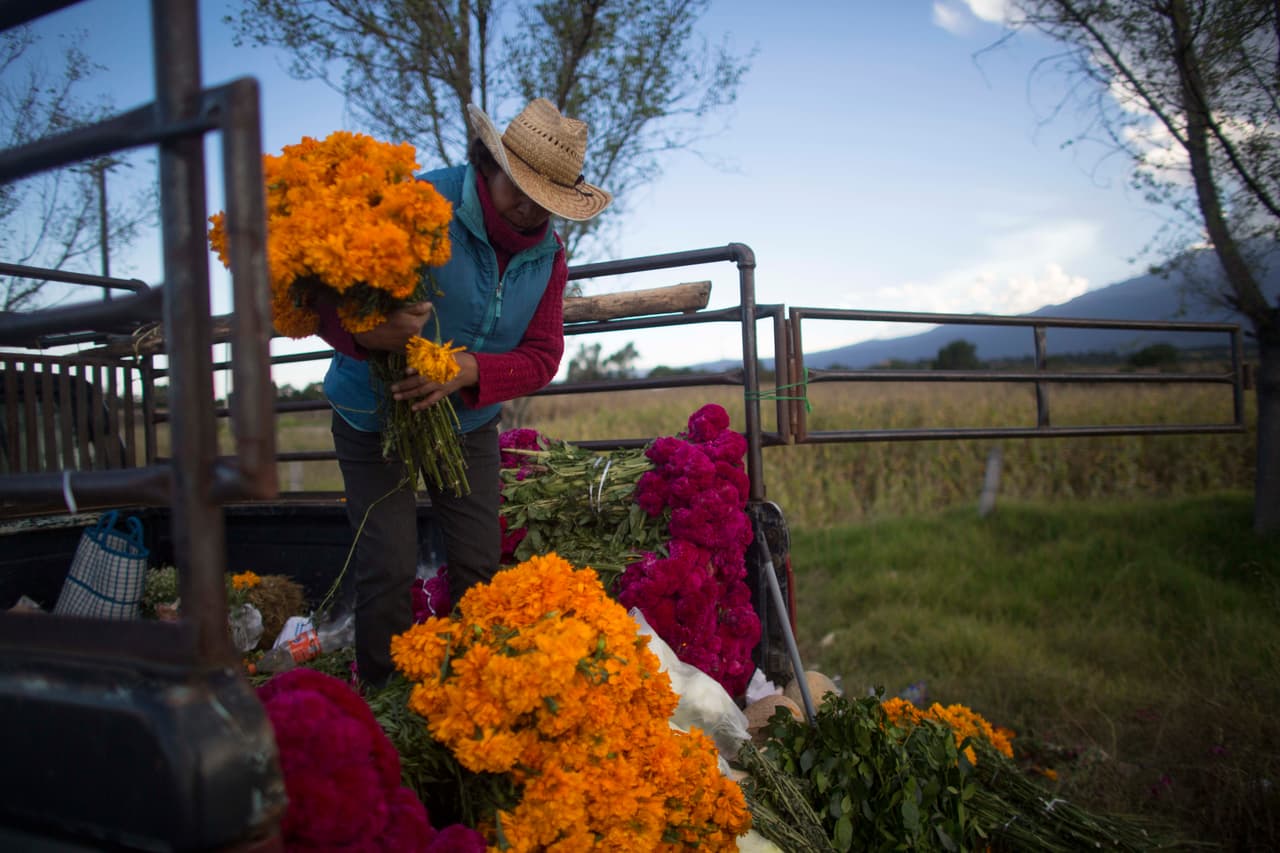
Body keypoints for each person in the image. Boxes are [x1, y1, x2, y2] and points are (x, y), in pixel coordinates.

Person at [317, 98, 612, 685]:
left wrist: (469, 370)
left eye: (544, 200)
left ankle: (476, 690)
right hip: (376, 413)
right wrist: (370, 333)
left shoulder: (549, 258)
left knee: (480, 562)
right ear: (489, 162)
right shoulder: (421, 206)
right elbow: (324, 304)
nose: (527, 208)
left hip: (468, 424)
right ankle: (386, 701)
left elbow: (543, 355)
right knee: (389, 567)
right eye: (517, 187)